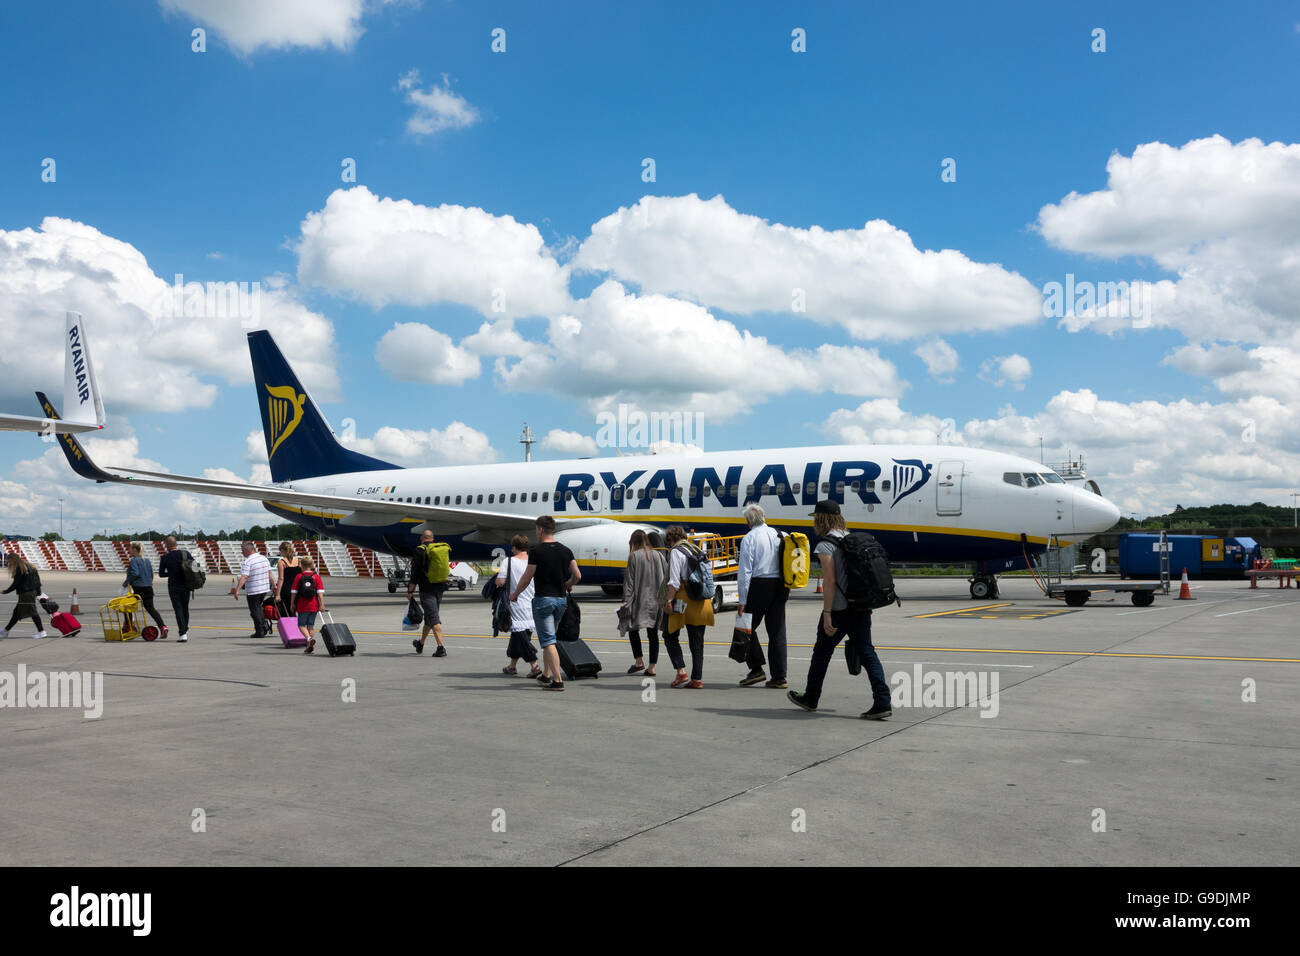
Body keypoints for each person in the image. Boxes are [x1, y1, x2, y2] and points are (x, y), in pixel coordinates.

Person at [787, 501, 892, 719]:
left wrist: (827, 613)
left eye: (815, 517)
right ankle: (882, 701)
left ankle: (811, 697)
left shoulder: (826, 545)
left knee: (821, 654)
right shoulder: (850, 538)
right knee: (867, 652)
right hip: (861, 606)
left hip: (838, 610)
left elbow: (830, 581)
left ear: (822, 518)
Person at [509, 515, 580, 691]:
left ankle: (557, 681)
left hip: (544, 601)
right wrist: (569, 585)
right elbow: (577, 575)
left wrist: (515, 594)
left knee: (548, 641)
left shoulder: (537, 551)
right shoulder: (566, 550)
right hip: (560, 600)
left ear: (540, 529)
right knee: (551, 638)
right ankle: (546, 674)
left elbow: (527, 577)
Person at [736, 504, 790, 689]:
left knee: (746, 627)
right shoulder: (781, 535)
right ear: (764, 517)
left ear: (748, 522)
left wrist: (742, 600)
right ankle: (779, 676)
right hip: (781, 585)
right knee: (777, 632)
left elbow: (745, 572)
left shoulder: (749, 538)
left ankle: (756, 668)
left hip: (760, 585)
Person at [661, 526, 714, 688]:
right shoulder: (695, 549)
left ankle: (681, 671)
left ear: (670, 540)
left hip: (683, 601)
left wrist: (669, 600)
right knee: (697, 641)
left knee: (669, 634)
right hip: (702, 601)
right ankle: (696, 679)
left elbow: (674, 581)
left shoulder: (677, 551)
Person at [496, 534, 541, 677]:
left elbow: (501, 582)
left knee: (520, 634)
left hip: (516, 601)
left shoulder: (508, 561)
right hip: (533, 601)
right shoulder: (533, 561)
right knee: (521, 635)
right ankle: (512, 666)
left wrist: (496, 581)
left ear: (514, 547)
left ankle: (534, 665)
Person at [622, 529, 665, 675]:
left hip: (639, 601)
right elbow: (666, 576)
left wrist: (625, 601)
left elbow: (629, 582)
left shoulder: (634, 556)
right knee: (653, 634)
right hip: (657, 601)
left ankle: (639, 661)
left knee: (632, 629)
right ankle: (652, 667)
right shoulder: (658, 555)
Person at [406, 529, 449, 657]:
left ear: (421, 538)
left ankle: (441, 648)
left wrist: (410, 591)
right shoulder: (439, 548)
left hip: (427, 588)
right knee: (430, 618)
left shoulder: (419, 550)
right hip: (440, 587)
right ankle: (420, 643)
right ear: (432, 538)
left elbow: (415, 574)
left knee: (434, 618)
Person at [124, 542, 168, 639]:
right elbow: (151, 575)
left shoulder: (134, 560)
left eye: (130, 549)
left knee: (126, 606)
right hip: (148, 588)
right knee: (151, 609)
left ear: (135, 550)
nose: (129, 550)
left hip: (139, 589)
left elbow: (135, 573)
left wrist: (127, 582)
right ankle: (162, 626)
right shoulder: (147, 561)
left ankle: (128, 627)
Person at [231, 541, 273, 639]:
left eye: (242, 551)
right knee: (258, 609)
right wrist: (273, 584)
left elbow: (244, 577)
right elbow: (270, 573)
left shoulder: (248, 561)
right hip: (264, 588)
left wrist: (237, 590)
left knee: (254, 611)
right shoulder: (264, 558)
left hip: (254, 590)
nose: (242, 553)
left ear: (247, 550)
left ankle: (260, 631)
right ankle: (263, 626)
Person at [2, 554, 46, 639]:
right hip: (31, 592)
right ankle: (5, 631)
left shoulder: (19, 568)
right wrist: (38, 591)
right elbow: (37, 580)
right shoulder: (30, 565)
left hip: (25, 593)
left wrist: (5, 591)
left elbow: (16, 584)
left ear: (13, 560)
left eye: (9, 561)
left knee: (33, 612)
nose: (9, 563)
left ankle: (42, 632)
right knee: (17, 613)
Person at [157, 536, 192, 642]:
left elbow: (161, 574)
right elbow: (196, 567)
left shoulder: (165, 557)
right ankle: (185, 629)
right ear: (176, 544)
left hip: (173, 586)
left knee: (178, 609)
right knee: (185, 608)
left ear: (167, 545)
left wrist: (171, 573)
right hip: (186, 585)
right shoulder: (185, 553)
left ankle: (183, 633)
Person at [291, 556, 325, 654]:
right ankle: (310, 647)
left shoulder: (299, 576)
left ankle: (309, 639)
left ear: (301, 565)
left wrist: (292, 603)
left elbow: (294, 592)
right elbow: (320, 592)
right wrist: (321, 604)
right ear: (311, 565)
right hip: (314, 605)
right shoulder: (316, 577)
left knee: (301, 625)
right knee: (310, 626)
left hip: (302, 605)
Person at [273, 542, 302, 620]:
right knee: (293, 610)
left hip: (286, 589)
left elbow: (281, 578)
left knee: (285, 612)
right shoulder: (298, 561)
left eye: (280, 551)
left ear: (283, 550)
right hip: (297, 589)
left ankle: (290, 630)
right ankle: (296, 628)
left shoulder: (282, 562)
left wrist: (277, 594)